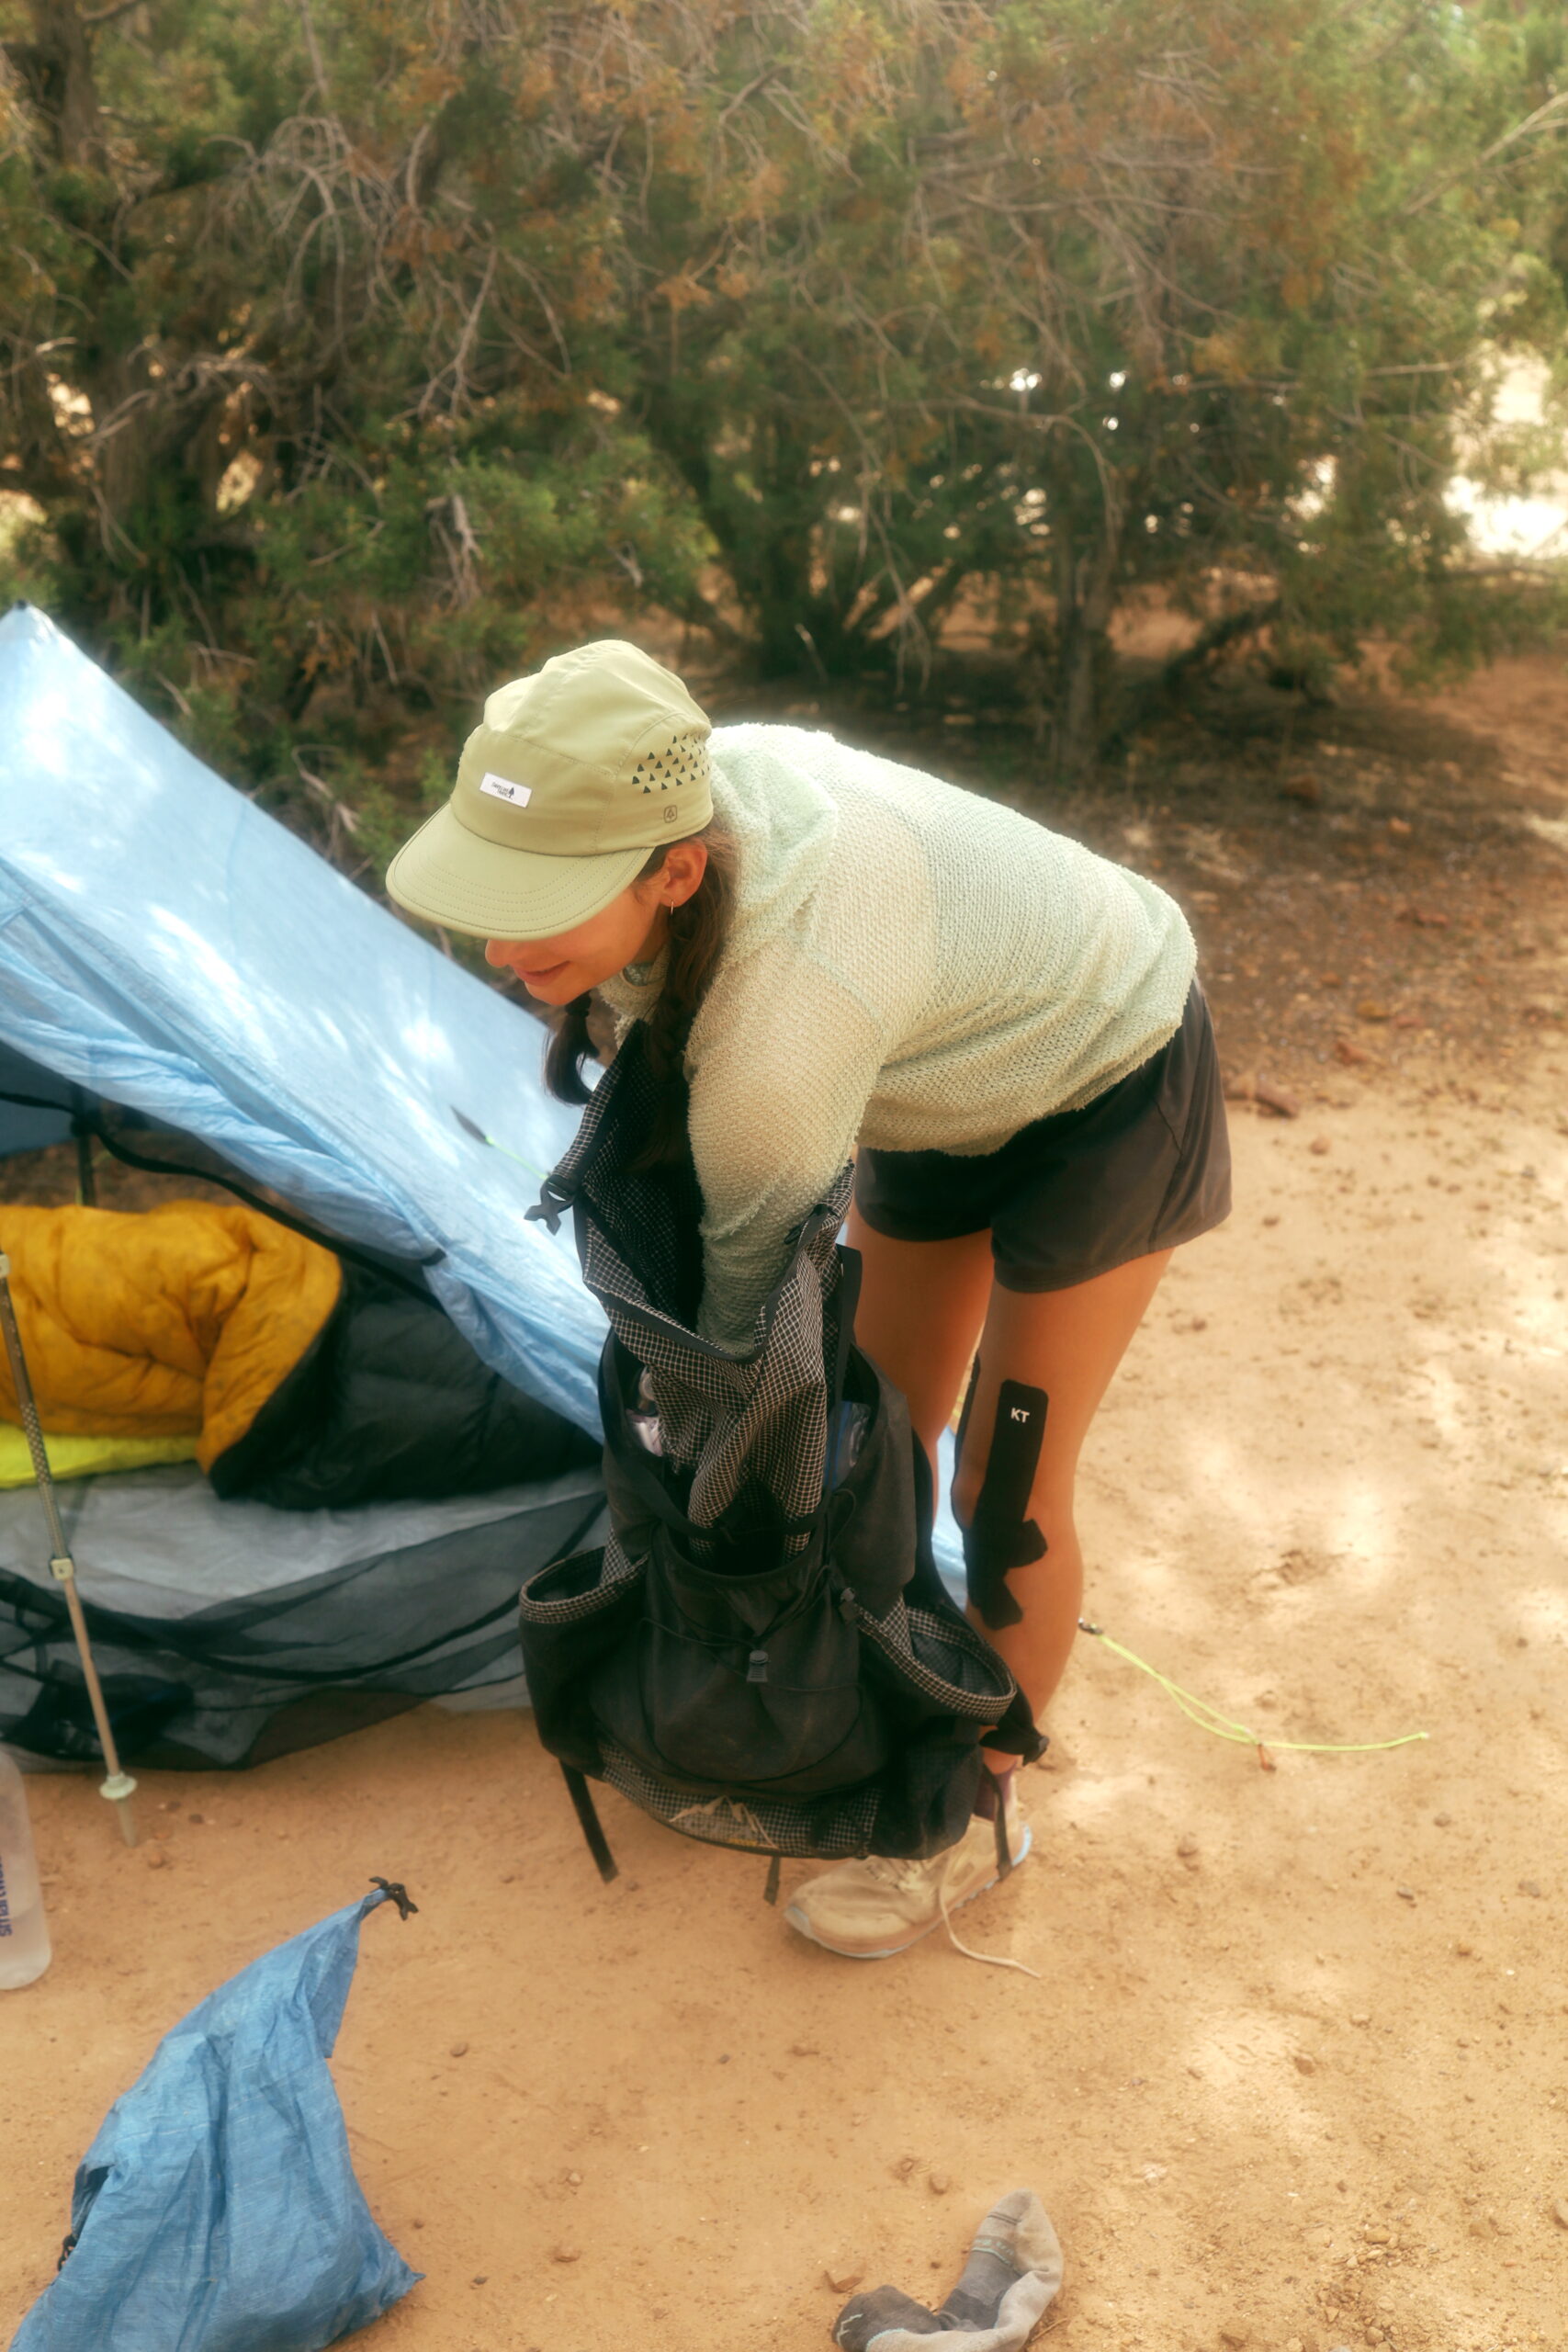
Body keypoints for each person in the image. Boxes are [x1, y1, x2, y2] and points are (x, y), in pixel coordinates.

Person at [388, 639, 1230, 1961]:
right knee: (869, 1441)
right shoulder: (696, 828)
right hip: (930, 1070)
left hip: (1109, 1064)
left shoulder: (783, 1044)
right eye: (489, 888)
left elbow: (741, 1364)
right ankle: (868, 1720)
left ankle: (968, 1811)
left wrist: (720, 1530)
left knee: (998, 1501)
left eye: (542, 899)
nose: (499, 942)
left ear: (677, 871)